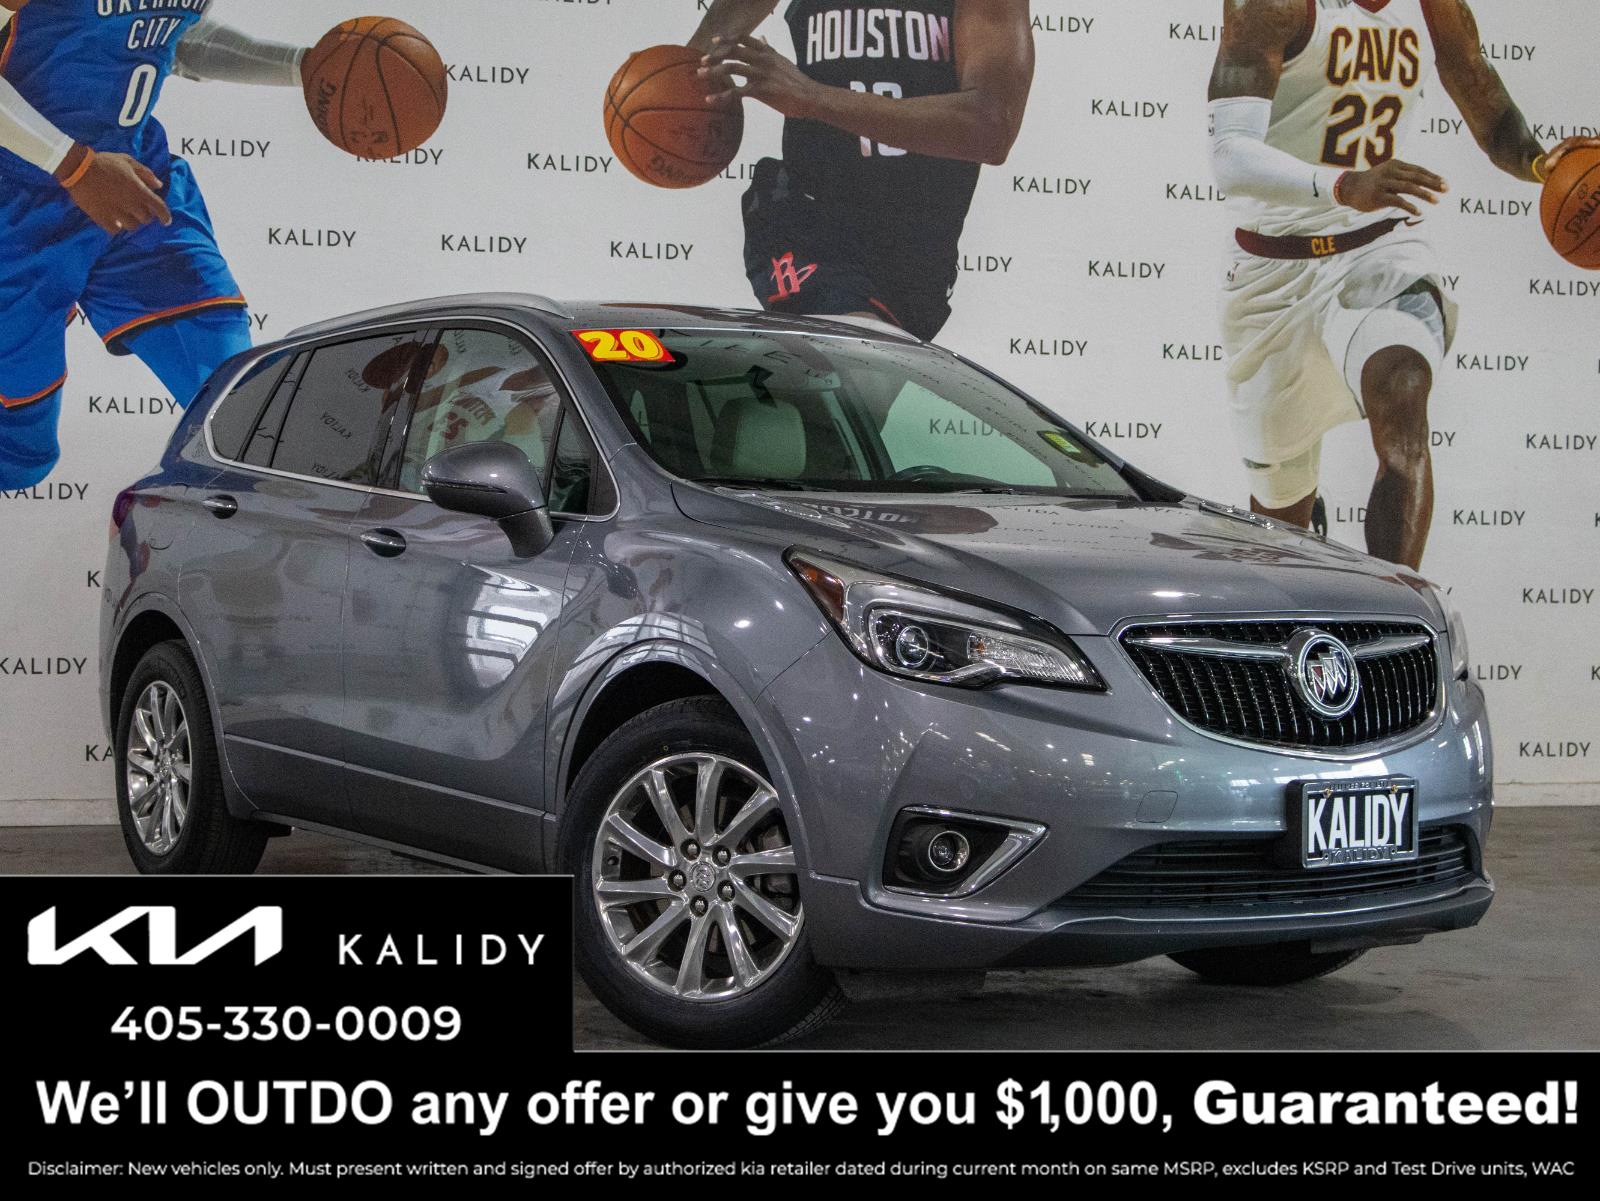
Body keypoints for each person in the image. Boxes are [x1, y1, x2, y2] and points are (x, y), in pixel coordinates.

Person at [1208, 0, 1598, 568]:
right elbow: (1230, 155)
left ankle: (1396, 603)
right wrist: (1344, 185)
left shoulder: (1435, 7)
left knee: (1403, 388)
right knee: (1279, 515)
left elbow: (1481, 94)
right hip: (1270, 274)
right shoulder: (1274, 7)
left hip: (1378, 247)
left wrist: (1541, 165)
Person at [0, 0, 309, 490]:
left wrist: (302, 67)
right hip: (17, 197)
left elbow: (173, 38)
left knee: (240, 411)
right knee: (21, 454)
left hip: (136, 180)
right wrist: (73, 166)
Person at [691, 0, 1034, 341]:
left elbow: (990, 127)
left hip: (918, 246)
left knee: (866, 365)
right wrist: (689, 73)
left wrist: (813, 97)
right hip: (809, 216)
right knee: (852, 343)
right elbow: (700, 59)